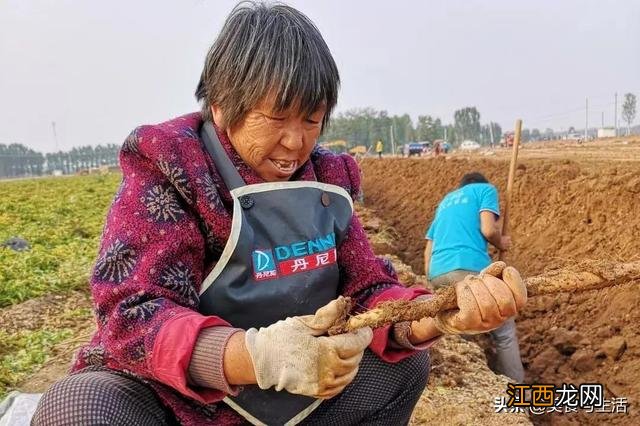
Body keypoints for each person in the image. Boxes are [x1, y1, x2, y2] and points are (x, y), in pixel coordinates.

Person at [33, 3, 527, 425]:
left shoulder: (327, 183)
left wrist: (440, 314)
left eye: (312, 120)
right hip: (180, 398)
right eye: (276, 119)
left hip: (291, 389)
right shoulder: (172, 168)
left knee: (403, 369)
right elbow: (132, 311)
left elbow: (369, 292)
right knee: (79, 406)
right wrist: (254, 357)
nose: (296, 143)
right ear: (224, 104)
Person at [423, 172, 525, 382]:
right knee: (504, 330)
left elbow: (428, 249)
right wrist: (500, 242)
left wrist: (431, 279)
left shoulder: (445, 201)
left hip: (437, 272)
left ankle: (472, 380)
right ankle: (515, 388)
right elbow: (488, 230)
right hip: (469, 268)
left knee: (460, 328)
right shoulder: (485, 190)